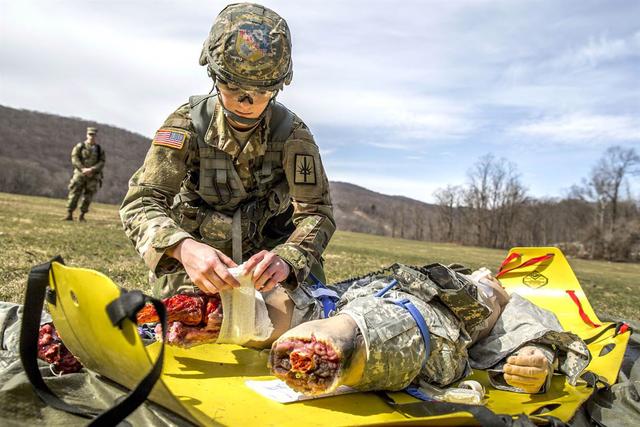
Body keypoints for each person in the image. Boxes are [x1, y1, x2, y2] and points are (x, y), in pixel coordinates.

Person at [120, 3, 335, 300]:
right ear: (213, 75)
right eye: (233, 87)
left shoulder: (293, 136)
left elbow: (317, 212)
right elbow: (141, 201)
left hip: (272, 262)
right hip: (201, 259)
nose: (245, 102)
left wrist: (289, 258)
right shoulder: (186, 126)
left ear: (278, 87)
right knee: (182, 324)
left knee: (303, 327)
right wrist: (182, 247)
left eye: (260, 92)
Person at [63, 126, 105, 221]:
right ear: (87, 135)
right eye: (90, 134)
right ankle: (69, 214)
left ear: (96, 136)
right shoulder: (80, 146)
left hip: (92, 176)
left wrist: (92, 169)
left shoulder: (99, 149)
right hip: (79, 175)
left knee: (88, 196)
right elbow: (74, 158)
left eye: (93, 135)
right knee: (74, 194)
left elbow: (102, 162)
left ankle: (82, 215)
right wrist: (83, 169)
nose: (92, 136)